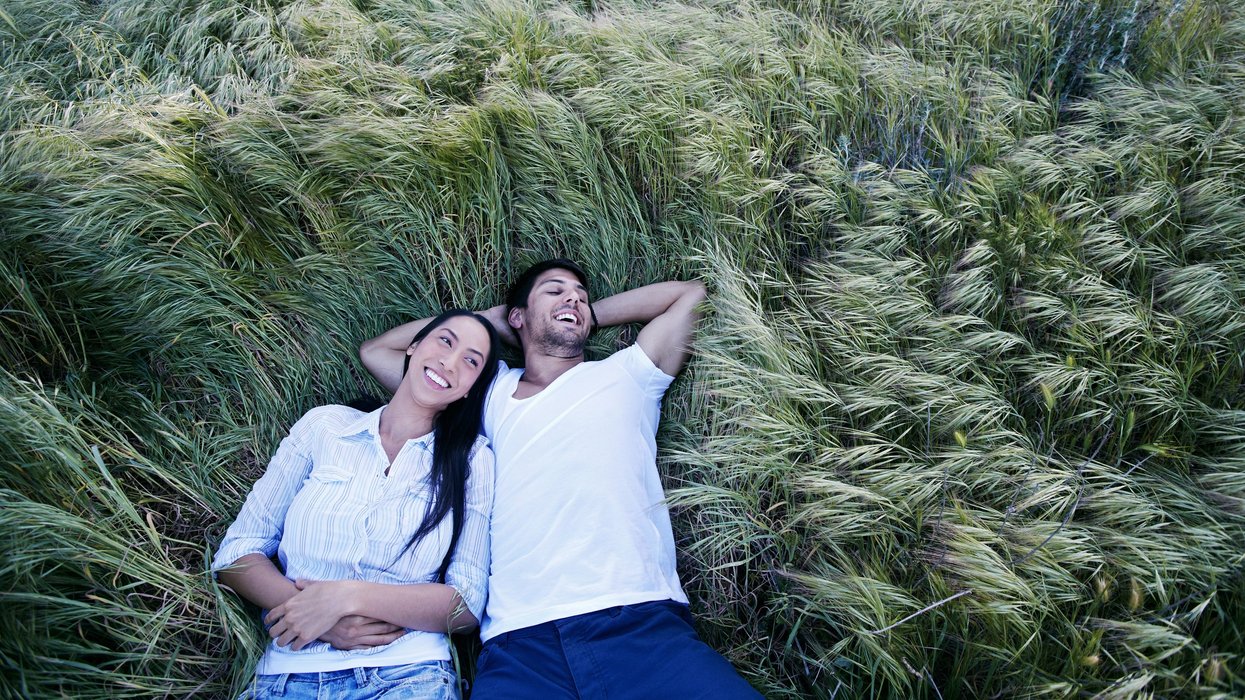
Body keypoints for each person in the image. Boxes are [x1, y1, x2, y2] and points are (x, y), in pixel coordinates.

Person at [360, 260, 761, 699]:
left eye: (580, 294)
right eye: (554, 291)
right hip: (520, 649)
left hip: (639, 625)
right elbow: (379, 352)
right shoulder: (488, 392)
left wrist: (588, 316)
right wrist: (494, 324)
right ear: (517, 318)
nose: (573, 297)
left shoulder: (630, 374)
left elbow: (691, 294)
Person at [213, 309, 500, 700]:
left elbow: (464, 606)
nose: (449, 362)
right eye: (444, 341)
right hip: (288, 672)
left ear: (470, 388)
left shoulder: (471, 459)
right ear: (413, 347)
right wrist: (317, 616)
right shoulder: (325, 427)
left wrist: (347, 597)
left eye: (471, 361)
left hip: (407, 674)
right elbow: (236, 555)